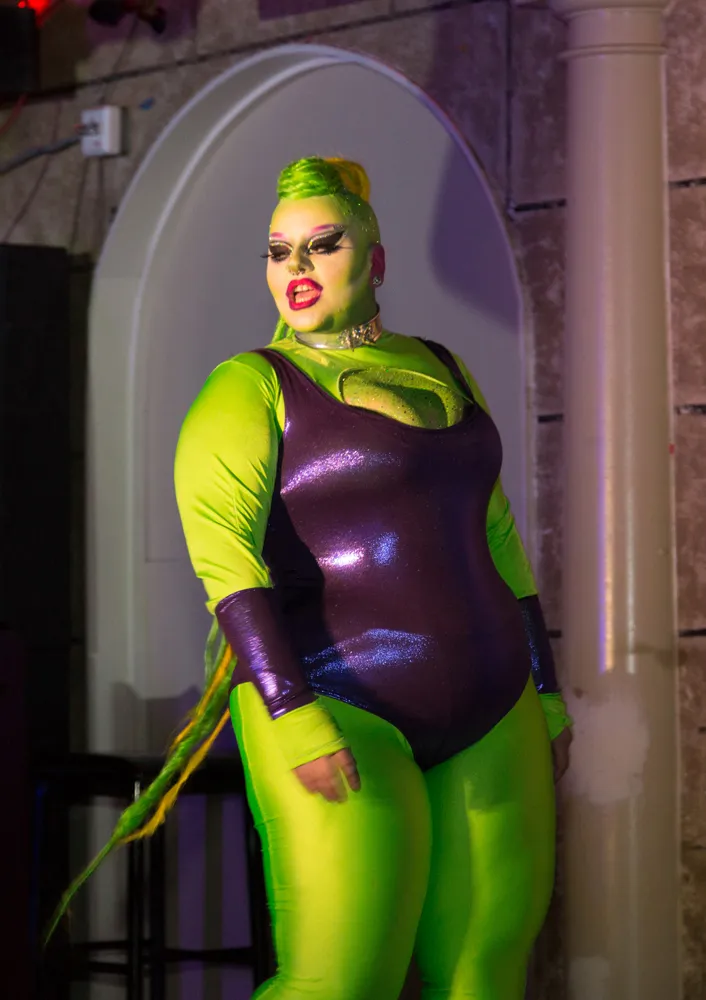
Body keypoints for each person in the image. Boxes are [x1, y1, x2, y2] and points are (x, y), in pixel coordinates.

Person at [48, 156, 572, 1000]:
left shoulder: (443, 365)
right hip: (334, 697)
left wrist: (544, 692)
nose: (296, 267)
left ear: (376, 259)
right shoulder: (248, 387)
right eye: (277, 251)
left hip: (494, 699)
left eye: (322, 245)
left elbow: (498, 536)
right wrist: (291, 715)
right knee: (339, 982)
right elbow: (228, 566)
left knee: (487, 973)